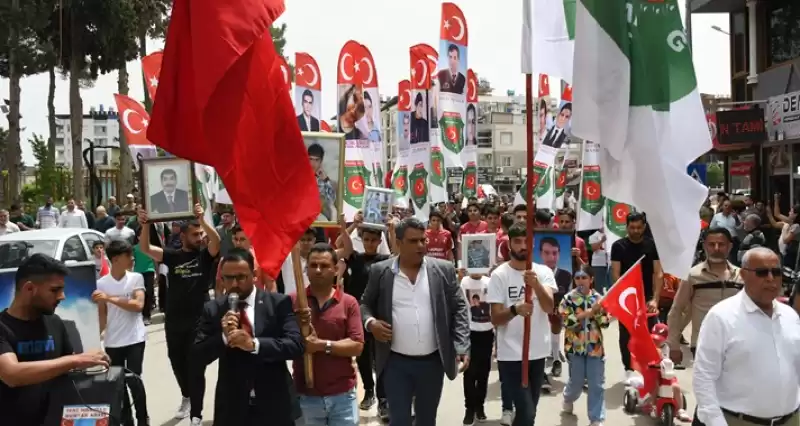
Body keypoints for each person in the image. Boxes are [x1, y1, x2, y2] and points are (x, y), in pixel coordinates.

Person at [360, 217, 470, 426]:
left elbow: (460, 308)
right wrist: (371, 323)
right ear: (398, 243)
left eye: (423, 240)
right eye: (413, 241)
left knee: (426, 419)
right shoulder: (381, 272)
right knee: (399, 419)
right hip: (395, 363)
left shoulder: (444, 270)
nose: (420, 246)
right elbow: (364, 305)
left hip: (432, 363)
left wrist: (462, 345)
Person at [195, 248, 304, 425]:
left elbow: (295, 345)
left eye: (241, 277)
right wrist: (223, 338)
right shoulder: (214, 309)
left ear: (254, 275)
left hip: (275, 404)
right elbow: (198, 355)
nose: (234, 283)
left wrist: (254, 344)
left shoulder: (277, 303)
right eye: (228, 278)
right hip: (233, 408)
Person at [693, 247, 800, 426]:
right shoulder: (721, 316)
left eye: (776, 272)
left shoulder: (791, 316)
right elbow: (704, 376)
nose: (771, 279)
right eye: (761, 272)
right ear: (743, 274)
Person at [0, 254, 110, 426]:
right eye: (54, 290)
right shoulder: (2, 327)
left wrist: (90, 363)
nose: (62, 296)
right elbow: (11, 374)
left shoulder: (55, 323)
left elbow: (68, 372)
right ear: (29, 289)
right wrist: (75, 360)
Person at [138, 204, 220, 425]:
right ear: (182, 235)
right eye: (195, 234)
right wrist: (145, 225)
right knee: (177, 363)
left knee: (195, 364)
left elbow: (217, 243)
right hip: (174, 320)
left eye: (201, 233)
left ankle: (196, 413)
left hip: (198, 320)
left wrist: (203, 221)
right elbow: (145, 248)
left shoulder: (205, 256)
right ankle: (186, 396)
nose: (200, 237)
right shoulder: (172, 256)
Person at [487, 221, 557, 426]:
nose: (522, 246)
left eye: (526, 241)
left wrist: (535, 284)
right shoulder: (500, 275)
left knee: (531, 411)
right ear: (509, 245)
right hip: (510, 354)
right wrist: (514, 310)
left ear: (533, 244)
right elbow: (495, 318)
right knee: (526, 413)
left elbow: (548, 307)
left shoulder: (543, 272)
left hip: (537, 352)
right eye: (517, 241)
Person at [292, 243, 364, 426]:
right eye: (313, 265)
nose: (318, 270)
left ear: (335, 269)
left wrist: (321, 345)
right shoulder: (293, 301)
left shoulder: (349, 303)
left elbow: (357, 345)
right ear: (306, 269)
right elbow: (284, 344)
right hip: (306, 396)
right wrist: (297, 329)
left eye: (324, 266)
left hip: (342, 397)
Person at [93, 240, 149, 426]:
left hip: (135, 338)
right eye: (128, 256)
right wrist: (95, 339)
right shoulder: (101, 284)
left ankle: (143, 419)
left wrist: (110, 298)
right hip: (113, 341)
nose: (132, 258)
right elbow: (102, 314)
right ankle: (127, 420)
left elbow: (138, 305)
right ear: (115, 259)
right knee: (118, 385)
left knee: (134, 380)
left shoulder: (136, 278)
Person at [668, 227, 743, 364]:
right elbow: (677, 309)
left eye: (721, 244)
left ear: (730, 246)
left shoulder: (741, 276)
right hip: (703, 345)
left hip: (735, 346)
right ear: (704, 246)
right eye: (711, 244)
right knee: (706, 385)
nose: (716, 248)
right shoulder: (693, 276)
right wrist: (673, 344)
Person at [341, 222, 391, 416]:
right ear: (362, 240)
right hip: (357, 314)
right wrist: (349, 224)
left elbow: (397, 251)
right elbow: (343, 244)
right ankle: (368, 391)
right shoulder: (355, 259)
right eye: (366, 240)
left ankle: (383, 397)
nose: (370, 243)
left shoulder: (385, 260)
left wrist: (391, 229)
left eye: (373, 240)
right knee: (362, 355)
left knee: (381, 358)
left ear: (379, 241)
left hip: (379, 315)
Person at [610, 211, 663, 384]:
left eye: (639, 227)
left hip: (646, 298)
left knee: (650, 335)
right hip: (627, 299)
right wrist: (622, 297)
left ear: (644, 227)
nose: (635, 230)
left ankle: (647, 367)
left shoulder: (651, 245)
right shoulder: (618, 246)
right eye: (632, 227)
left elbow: (658, 273)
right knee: (626, 335)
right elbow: (616, 274)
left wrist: (655, 299)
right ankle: (628, 369)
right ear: (627, 227)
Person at [558, 266, 609, 426]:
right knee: (576, 382)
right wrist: (589, 313)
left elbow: (605, 323)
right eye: (577, 278)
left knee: (596, 384)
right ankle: (568, 397)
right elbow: (568, 321)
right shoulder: (568, 299)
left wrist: (599, 312)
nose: (580, 281)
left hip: (595, 348)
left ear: (591, 279)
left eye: (584, 277)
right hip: (575, 347)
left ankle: (596, 418)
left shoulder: (599, 298)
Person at [460, 271, 493, 424]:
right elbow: (459, 307)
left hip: (487, 333)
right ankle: (469, 408)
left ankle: (480, 406)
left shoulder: (490, 281)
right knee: (469, 372)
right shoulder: (464, 282)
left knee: (483, 373)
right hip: (470, 333)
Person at [538, 236, 571, 380]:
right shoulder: (534, 273)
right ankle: (541, 371)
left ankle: (556, 359)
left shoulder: (566, 275)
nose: (551, 257)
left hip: (557, 314)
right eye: (546, 252)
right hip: (538, 314)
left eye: (554, 253)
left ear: (559, 254)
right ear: (540, 254)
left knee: (555, 329)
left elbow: (570, 296)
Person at [649, 324, 692, 422]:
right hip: (656, 372)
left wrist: (672, 363)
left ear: (665, 338)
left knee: (676, 387)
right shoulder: (650, 346)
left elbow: (666, 360)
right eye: (655, 339)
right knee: (655, 386)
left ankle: (681, 409)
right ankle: (653, 405)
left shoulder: (666, 347)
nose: (657, 341)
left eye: (660, 339)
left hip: (666, 372)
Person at [308, 143, 337, 222]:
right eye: (311, 159)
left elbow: (332, 201)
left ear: (321, 161)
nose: (313, 163)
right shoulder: (301, 176)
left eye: (316, 160)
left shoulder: (323, 179)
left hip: (318, 215)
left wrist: (326, 179)